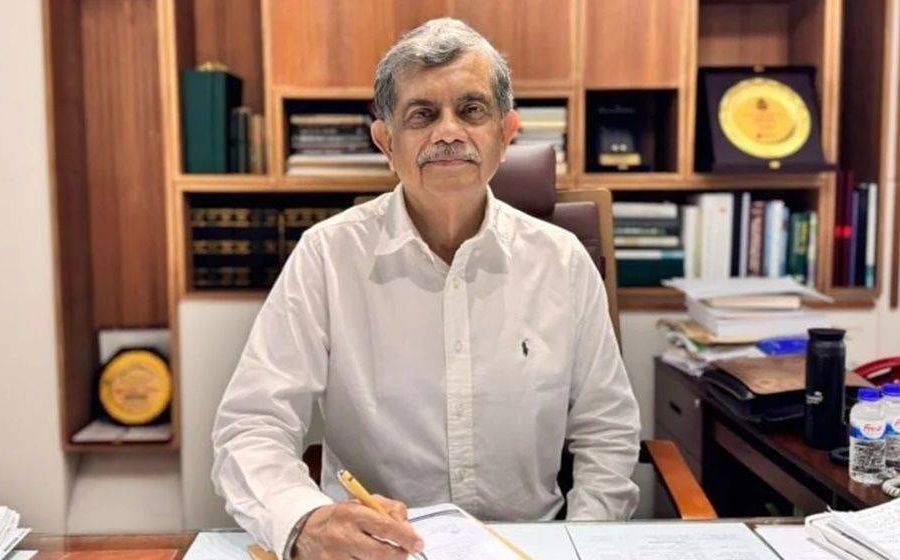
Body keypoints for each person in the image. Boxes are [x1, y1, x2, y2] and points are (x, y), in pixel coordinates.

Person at [211, 17, 641, 560]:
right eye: (422, 114)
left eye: (472, 110)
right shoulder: (328, 257)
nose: (448, 133)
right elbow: (252, 425)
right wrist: (306, 521)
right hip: (378, 551)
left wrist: (584, 542)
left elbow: (607, 430)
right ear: (386, 142)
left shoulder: (563, 262)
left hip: (530, 544)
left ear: (506, 134)